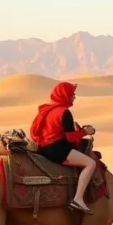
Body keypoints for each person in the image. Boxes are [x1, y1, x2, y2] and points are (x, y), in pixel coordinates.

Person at [30, 81, 97, 213]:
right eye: (72, 94)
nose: (74, 97)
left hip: (43, 149)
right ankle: (78, 199)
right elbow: (71, 138)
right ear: (64, 95)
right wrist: (86, 132)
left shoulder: (46, 110)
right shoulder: (64, 112)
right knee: (90, 164)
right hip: (58, 150)